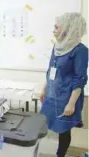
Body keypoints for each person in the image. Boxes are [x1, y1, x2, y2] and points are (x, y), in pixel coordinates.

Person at [39, 13, 88, 157]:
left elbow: (80, 78)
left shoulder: (80, 50)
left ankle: (60, 155)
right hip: (52, 94)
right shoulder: (57, 46)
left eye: (56, 27)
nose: (53, 30)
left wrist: (71, 104)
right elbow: (51, 71)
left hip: (67, 97)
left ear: (68, 29)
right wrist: (44, 89)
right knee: (45, 124)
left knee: (64, 129)